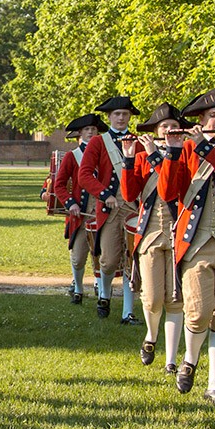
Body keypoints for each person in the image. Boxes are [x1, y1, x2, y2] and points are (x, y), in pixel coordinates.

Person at [157, 88, 215, 406]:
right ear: (200, 119)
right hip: (195, 244)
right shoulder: (185, 148)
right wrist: (172, 152)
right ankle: (189, 360)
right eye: (213, 115)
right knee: (197, 314)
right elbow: (169, 191)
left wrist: (206, 149)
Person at [120, 103, 188, 372]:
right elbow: (128, 194)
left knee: (175, 299)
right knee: (151, 297)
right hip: (149, 232)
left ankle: (171, 359)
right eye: (163, 127)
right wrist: (128, 158)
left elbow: (172, 189)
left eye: (172, 126)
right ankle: (150, 336)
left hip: (178, 231)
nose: (168, 130)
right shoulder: (140, 157)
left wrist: (155, 155)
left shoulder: (184, 154)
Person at [78, 95, 139, 322]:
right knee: (110, 260)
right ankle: (104, 293)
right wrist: (105, 195)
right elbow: (84, 175)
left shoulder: (139, 142)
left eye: (125, 114)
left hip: (133, 207)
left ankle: (128, 311)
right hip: (110, 208)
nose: (121, 118)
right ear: (110, 117)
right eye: (117, 114)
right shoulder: (98, 142)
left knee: (131, 261)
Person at [54, 113, 104, 305]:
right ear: (79, 134)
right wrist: (70, 203)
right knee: (79, 255)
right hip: (81, 213)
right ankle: (78, 287)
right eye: (87, 130)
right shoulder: (72, 156)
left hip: (101, 211)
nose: (91, 132)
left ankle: (101, 287)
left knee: (100, 253)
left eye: (93, 129)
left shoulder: (105, 154)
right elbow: (59, 185)